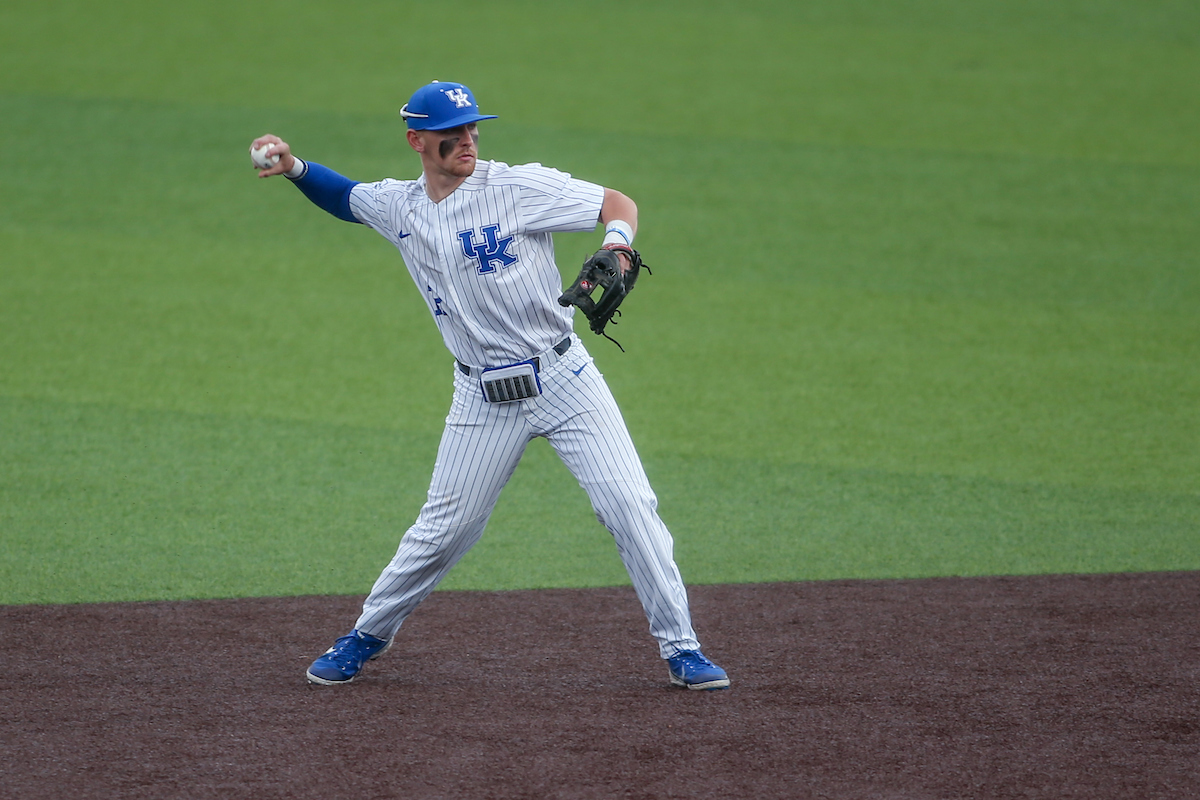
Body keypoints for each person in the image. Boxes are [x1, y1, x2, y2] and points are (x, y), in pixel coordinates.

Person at [250, 80, 729, 691]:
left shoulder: (518, 186)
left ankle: (682, 648)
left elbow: (617, 202)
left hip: (564, 378)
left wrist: (618, 244)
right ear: (417, 140)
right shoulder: (402, 207)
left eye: (474, 129)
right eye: (454, 133)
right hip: (482, 397)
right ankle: (366, 635)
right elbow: (345, 197)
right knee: (443, 530)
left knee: (630, 507)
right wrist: (294, 168)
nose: (468, 140)